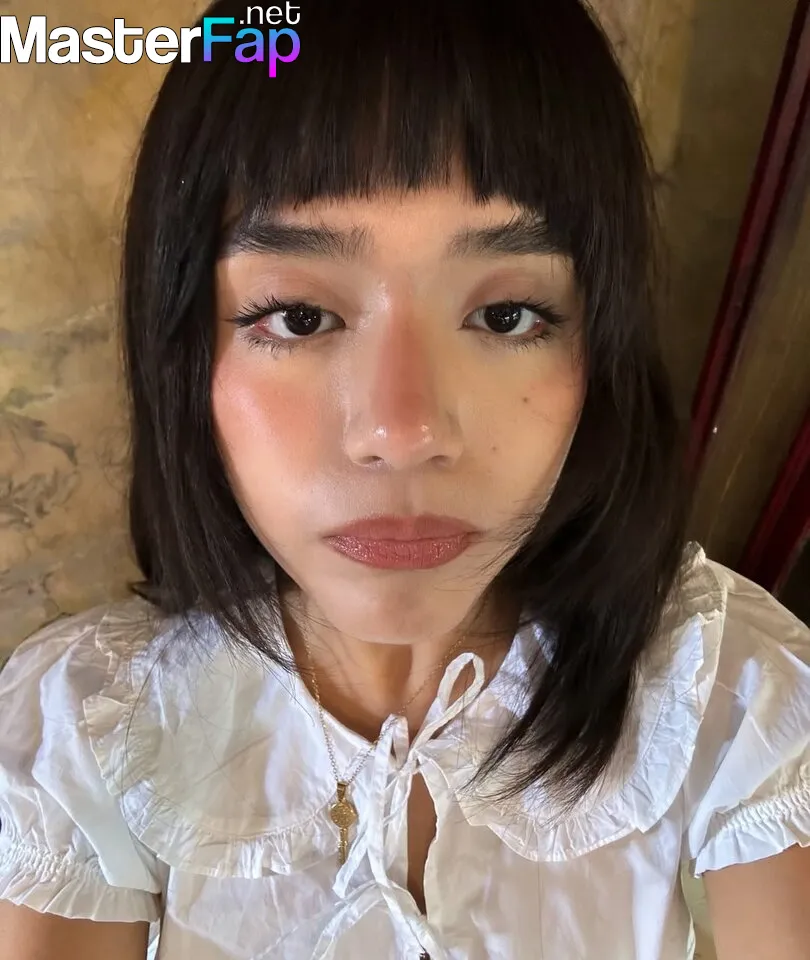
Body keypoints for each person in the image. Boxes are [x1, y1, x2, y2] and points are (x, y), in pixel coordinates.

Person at [1, 0, 809, 957]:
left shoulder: (727, 690)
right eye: (299, 317)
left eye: (507, 316)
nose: (403, 431)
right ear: (181, 349)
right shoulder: (86, 726)